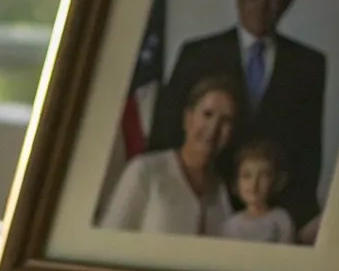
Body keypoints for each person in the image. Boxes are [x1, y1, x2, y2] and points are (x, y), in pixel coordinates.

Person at [147, 0, 327, 226]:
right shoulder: (198, 53)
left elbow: (309, 149)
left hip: (270, 210)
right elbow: (167, 127)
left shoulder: (309, 64)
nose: (262, 6)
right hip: (201, 198)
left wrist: (298, 218)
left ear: (288, 2)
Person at [97, 75, 241, 235]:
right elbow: (107, 241)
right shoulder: (145, 171)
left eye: (226, 120)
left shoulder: (222, 192)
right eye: (207, 114)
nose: (214, 128)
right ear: (188, 118)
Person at [216, 139, 297, 244]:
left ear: (275, 180)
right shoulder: (230, 226)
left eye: (263, 176)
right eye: (246, 176)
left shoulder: (281, 220)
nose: (254, 184)